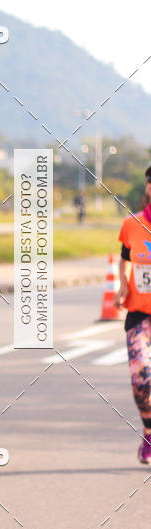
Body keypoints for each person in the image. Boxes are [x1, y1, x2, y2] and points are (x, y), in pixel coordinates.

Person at [114, 164, 151, 464]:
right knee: (141, 379)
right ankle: (149, 432)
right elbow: (125, 257)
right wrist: (123, 285)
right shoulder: (132, 224)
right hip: (139, 314)